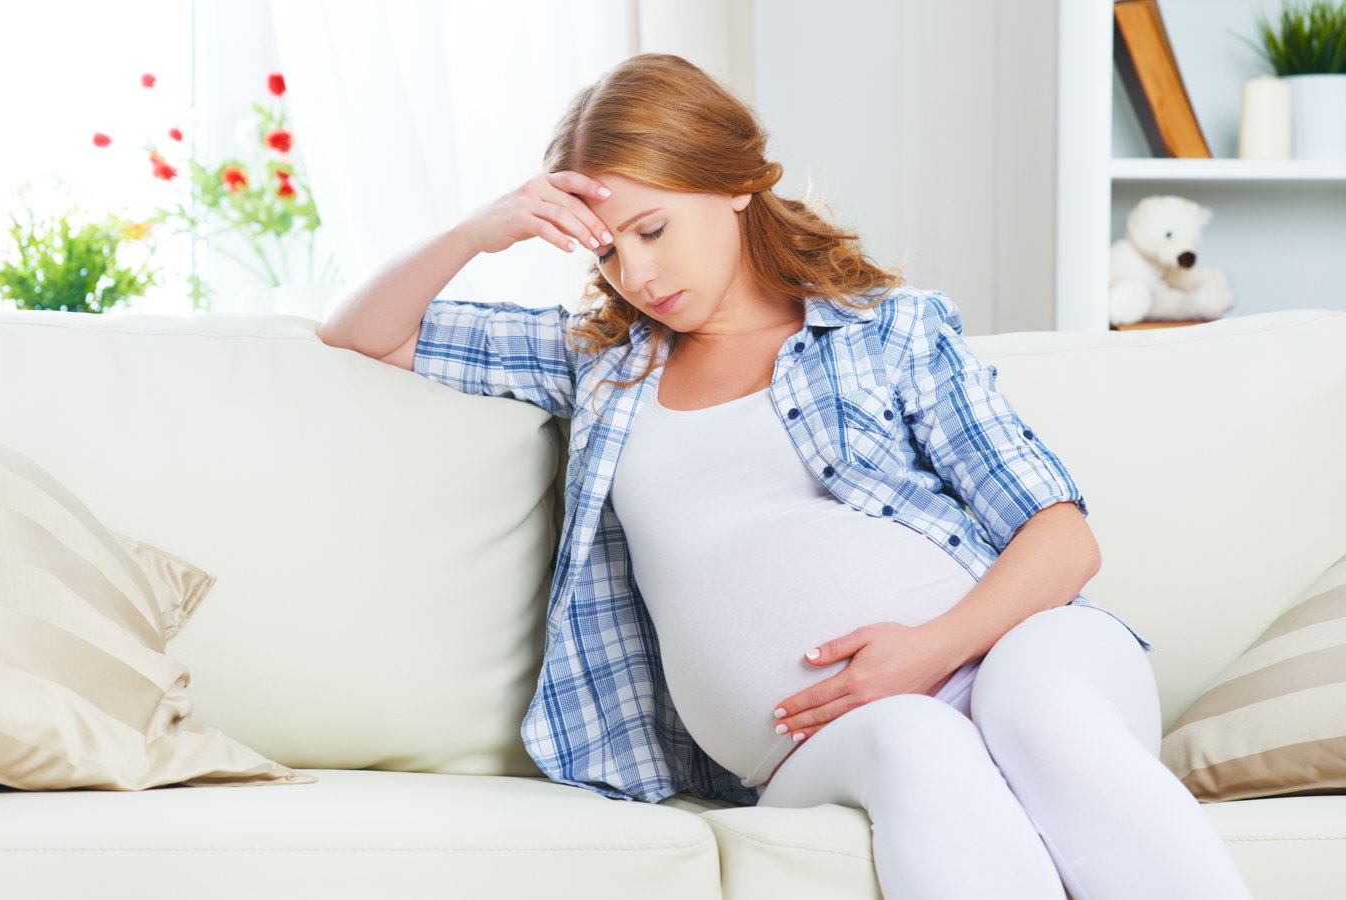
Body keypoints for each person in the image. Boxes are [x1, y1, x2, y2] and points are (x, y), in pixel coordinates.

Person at [319, 52, 1255, 900]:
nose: (636, 274)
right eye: (608, 251)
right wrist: (481, 231)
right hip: (826, 738)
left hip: (1022, 648)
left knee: (1036, 711)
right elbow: (366, 332)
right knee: (914, 739)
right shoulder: (600, 362)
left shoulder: (889, 329)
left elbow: (1063, 536)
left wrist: (930, 649)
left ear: (735, 186)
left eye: (652, 228)